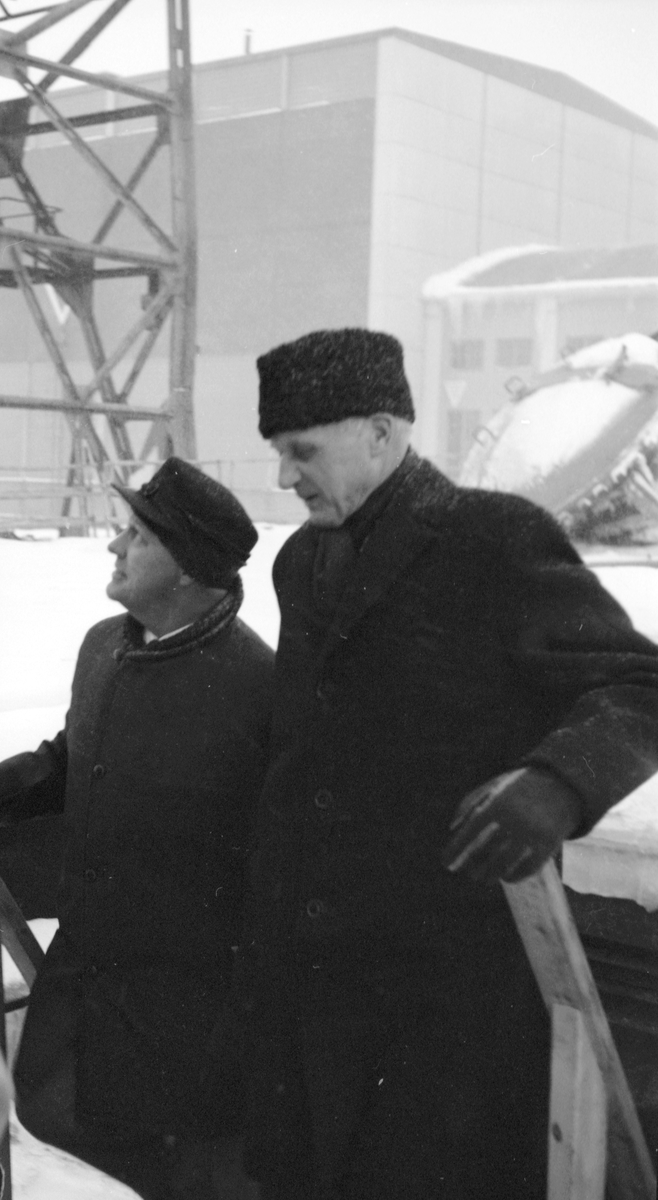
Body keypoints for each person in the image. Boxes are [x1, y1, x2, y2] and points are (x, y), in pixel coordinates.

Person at [244, 327, 658, 1200]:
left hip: (447, 988)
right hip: (314, 976)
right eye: (278, 452)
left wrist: (556, 782)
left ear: (380, 433)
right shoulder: (299, 561)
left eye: (301, 451)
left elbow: (637, 685)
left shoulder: (492, 538)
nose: (284, 477)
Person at [0, 458, 274, 1200]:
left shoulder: (258, 687)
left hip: (189, 1017)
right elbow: (70, 758)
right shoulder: (104, 645)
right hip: (86, 988)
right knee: (63, 1120)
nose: (114, 546)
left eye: (138, 536)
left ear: (188, 568)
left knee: (183, 1174)